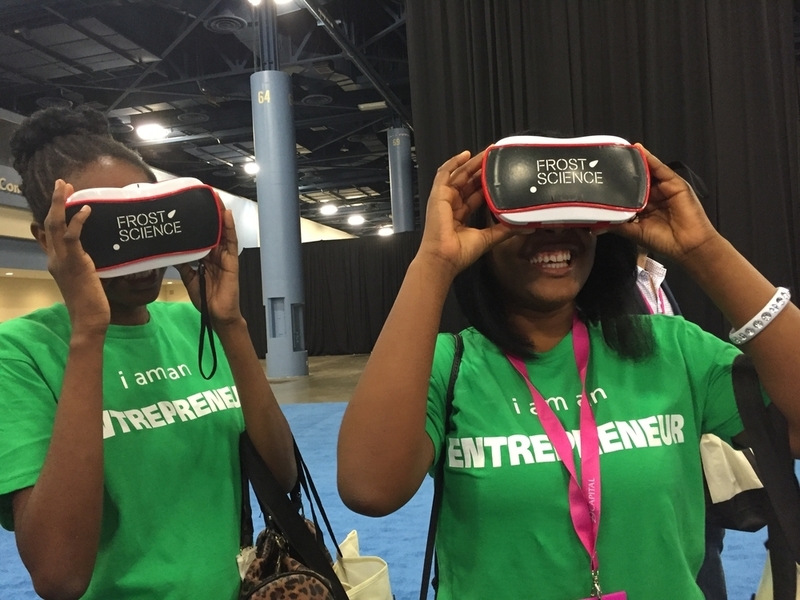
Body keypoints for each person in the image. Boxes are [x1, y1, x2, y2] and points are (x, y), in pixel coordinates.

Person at [337, 145, 800, 599]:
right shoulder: (451, 366)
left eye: (574, 218)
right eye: (528, 219)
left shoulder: (672, 347)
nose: (555, 233)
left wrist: (705, 250)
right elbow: (371, 489)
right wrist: (434, 263)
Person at [0, 106, 296, 600]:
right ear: (46, 239)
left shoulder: (191, 326)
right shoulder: (21, 355)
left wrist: (230, 325)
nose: (134, 253)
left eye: (143, 224)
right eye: (105, 230)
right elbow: (58, 576)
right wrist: (88, 333)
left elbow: (282, 473)